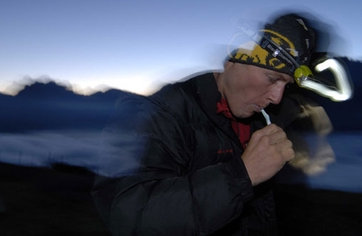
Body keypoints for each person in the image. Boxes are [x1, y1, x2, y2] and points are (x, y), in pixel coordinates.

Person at [92, 12, 324, 235]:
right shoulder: (156, 112)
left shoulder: (259, 121)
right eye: (273, 78)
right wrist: (242, 175)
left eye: (286, 85)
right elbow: (128, 216)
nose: (276, 97)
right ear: (235, 55)